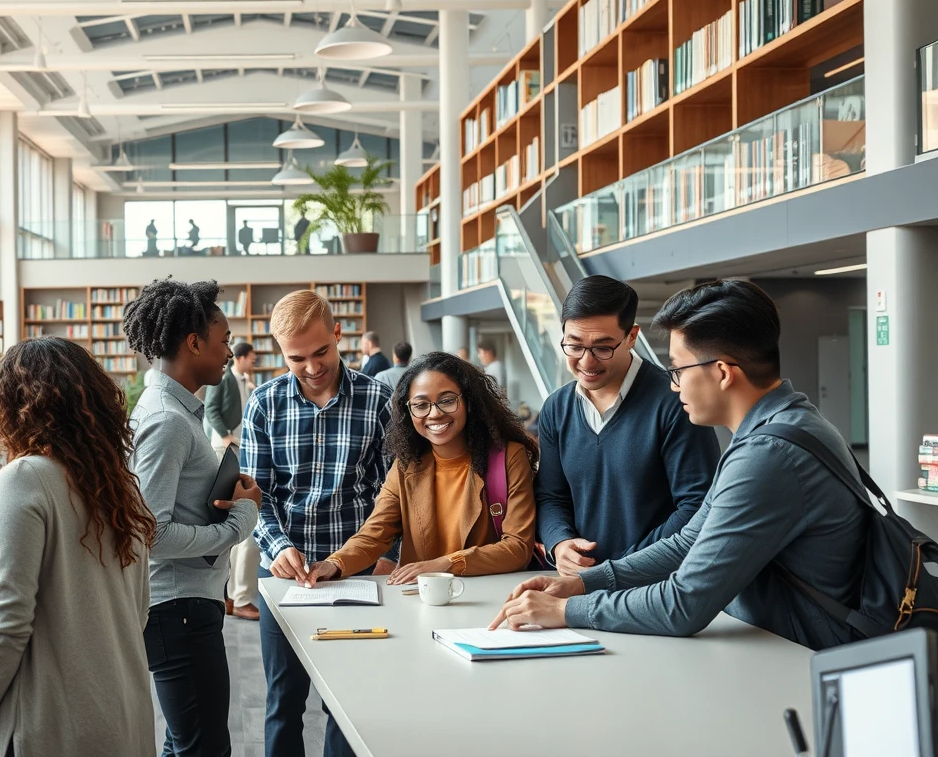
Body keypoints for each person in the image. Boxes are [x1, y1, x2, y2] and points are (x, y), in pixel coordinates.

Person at [490, 280, 870, 651]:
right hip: (772, 645)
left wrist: (566, 609)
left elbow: (683, 604)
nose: (673, 386)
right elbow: (689, 540)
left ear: (722, 373)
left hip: (803, 658)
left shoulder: (768, 455)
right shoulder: (777, 428)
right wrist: (584, 583)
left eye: (678, 370)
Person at [0, 337, 158, 757]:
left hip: (38, 723)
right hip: (116, 714)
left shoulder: (23, 480)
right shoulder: (118, 488)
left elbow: (5, 621)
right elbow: (138, 609)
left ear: (10, 407)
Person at [240, 289, 395, 757]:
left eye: (321, 351)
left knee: (347, 701)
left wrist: (388, 555)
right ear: (279, 353)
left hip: (358, 573)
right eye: (297, 358)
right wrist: (278, 545)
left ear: (338, 332)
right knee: (283, 701)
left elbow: (393, 494)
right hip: (284, 576)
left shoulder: (379, 400)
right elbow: (255, 500)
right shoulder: (264, 405)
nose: (311, 367)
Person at [124, 279, 262, 757]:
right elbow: (151, 533)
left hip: (182, 605)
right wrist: (240, 520)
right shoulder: (167, 420)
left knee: (186, 743)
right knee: (202, 748)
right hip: (176, 609)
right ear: (193, 342)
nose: (229, 351)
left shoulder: (172, 412)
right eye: (223, 340)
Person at [536, 276, 720, 576]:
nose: (586, 361)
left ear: (631, 337)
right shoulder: (557, 408)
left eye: (602, 348)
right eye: (574, 346)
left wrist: (621, 569)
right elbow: (550, 496)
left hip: (655, 585)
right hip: (579, 584)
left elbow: (697, 506)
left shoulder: (676, 401)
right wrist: (560, 543)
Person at [304, 352, 537, 586]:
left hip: (483, 598)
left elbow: (517, 547)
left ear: (469, 401)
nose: (434, 413)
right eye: (421, 405)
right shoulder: (407, 464)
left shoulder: (508, 457)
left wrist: (446, 563)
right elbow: (375, 533)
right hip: (419, 598)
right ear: (409, 410)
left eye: (447, 400)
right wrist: (336, 563)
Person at [203, 340, 262, 621]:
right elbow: (211, 409)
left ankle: (231, 595)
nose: (254, 362)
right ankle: (235, 596)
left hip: (239, 446)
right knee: (230, 514)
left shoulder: (242, 380)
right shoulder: (221, 378)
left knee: (235, 517)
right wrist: (225, 435)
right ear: (241, 357)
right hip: (223, 447)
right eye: (251, 358)